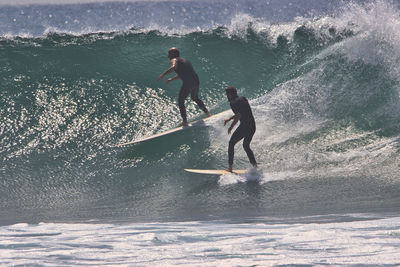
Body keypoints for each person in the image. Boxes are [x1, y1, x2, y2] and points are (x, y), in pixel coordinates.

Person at [158, 47, 211, 126]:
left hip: (188, 83)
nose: (168, 55)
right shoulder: (184, 60)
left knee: (181, 100)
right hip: (195, 80)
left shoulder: (174, 60)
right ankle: (208, 114)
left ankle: (185, 121)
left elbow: (173, 67)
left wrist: (163, 74)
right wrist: (172, 79)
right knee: (195, 98)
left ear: (173, 54)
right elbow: (183, 74)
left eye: (169, 53)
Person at [224, 86, 257, 172]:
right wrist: (230, 118)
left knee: (231, 143)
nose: (226, 96)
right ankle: (255, 166)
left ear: (230, 95)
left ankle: (230, 168)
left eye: (227, 94)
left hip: (245, 127)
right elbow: (242, 111)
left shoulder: (233, 103)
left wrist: (231, 127)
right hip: (252, 126)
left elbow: (238, 116)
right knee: (246, 146)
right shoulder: (242, 98)